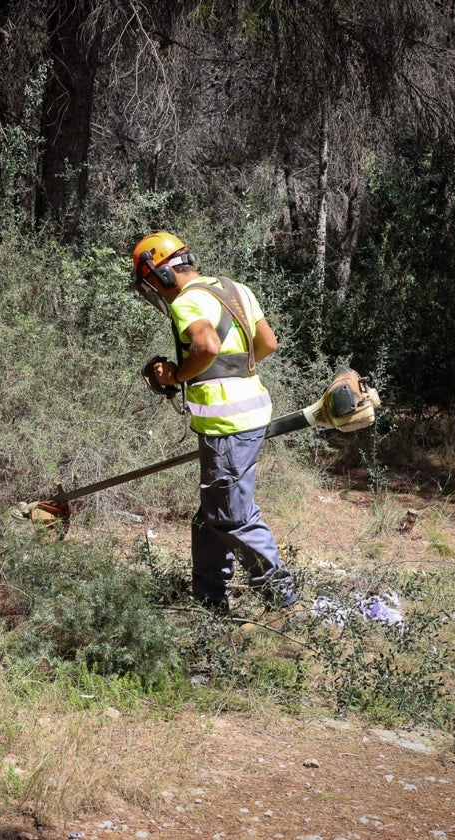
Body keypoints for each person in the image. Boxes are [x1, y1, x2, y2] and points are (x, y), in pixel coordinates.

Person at [131, 231, 298, 618]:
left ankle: (282, 599)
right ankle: (209, 600)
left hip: (227, 425)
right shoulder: (235, 289)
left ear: (160, 276)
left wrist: (175, 377)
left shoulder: (187, 302)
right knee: (211, 515)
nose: (154, 290)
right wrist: (231, 371)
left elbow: (205, 345)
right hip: (251, 415)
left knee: (232, 516)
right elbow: (268, 344)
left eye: (150, 282)